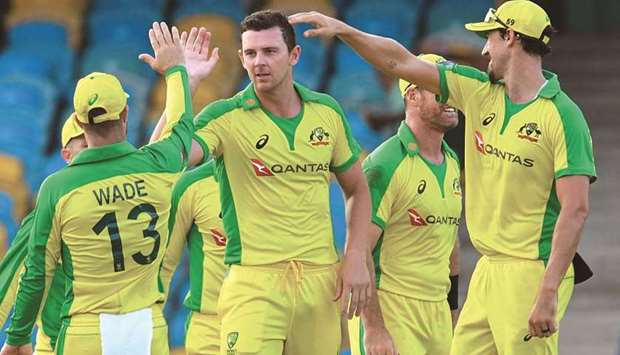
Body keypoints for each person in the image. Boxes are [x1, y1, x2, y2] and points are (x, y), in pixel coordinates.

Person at [289, 1, 596, 354]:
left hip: (531, 269)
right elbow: (399, 62)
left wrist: (548, 290)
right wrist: (347, 31)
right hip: (487, 269)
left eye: (489, 38)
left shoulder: (563, 116)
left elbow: (575, 210)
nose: (483, 50)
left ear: (510, 37)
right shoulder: (478, 90)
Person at [0, 22, 195, 355]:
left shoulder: (57, 188)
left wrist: (18, 337)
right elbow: (180, 125)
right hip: (146, 329)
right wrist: (177, 71)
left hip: (85, 331)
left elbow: (36, 273)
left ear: (78, 120)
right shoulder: (158, 163)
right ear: (126, 115)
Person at [190, 10, 371, 355]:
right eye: (250, 53)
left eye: (270, 51)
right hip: (254, 283)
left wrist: (356, 255)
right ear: (241, 58)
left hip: (320, 282)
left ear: (294, 55)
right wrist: (186, 84)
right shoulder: (224, 117)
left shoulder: (327, 112)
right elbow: (174, 156)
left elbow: (358, 189)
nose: (259, 61)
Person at [349, 54, 461, 355]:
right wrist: (373, 329)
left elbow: (449, 245)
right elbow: (358, 251)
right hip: (392, 312)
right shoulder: (385, 164)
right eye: (440, 90)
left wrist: (452, 314)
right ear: (412, 95)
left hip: (437, 315)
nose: (453, 98)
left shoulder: (451, 161)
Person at [0, 116, 86, 354]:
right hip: (59, 344)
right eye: (85, 146)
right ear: (67, 156)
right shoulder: (47, 214)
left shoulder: (130, 199)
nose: (94, 154)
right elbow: (8, 287)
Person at [159, 160, 226, 355]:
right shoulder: (191, 185)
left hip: (271, 320)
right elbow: (163, 267)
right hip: (211, 330)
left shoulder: (285, 179)